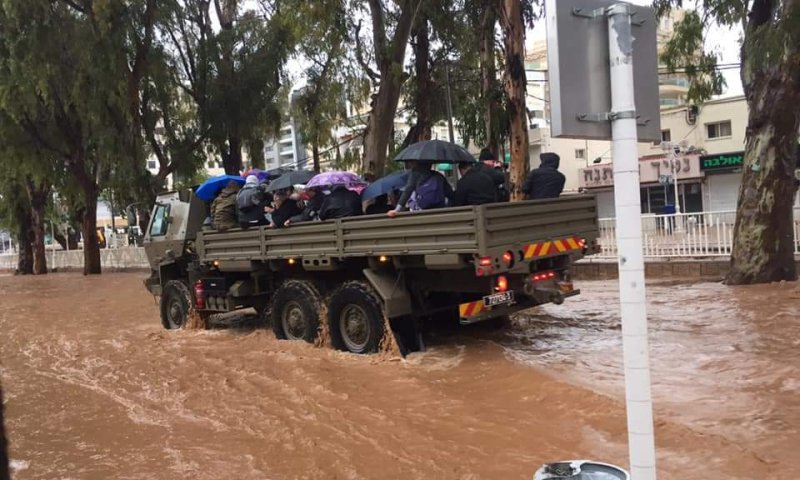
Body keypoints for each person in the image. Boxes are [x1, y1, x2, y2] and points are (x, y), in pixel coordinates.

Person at [388, 161, 453, 216]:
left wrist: (397, 209)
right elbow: (450, 194)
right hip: (440, 212)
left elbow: (408, 190)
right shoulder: (438, 176)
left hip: (423, 212)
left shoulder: (415, 174)